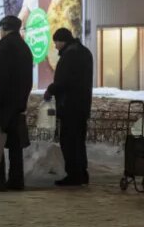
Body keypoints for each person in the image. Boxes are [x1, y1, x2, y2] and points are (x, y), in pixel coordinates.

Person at [0, 16, 33, 192]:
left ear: (3, 28)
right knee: (15, 144)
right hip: (18, 103)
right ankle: (16, 179)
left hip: (2, 103)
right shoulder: (25, 48)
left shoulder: (2, 48)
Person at [44, 28, 93, 187]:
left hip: (70, 105)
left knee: (69, 141)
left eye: (56, 42)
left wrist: (51, 89)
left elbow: (65, 81)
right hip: (82, 105)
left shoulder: (70, 55)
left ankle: (73, 175)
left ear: (62, 41)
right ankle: (82, 173)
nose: (55, 46)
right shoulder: (84, 52)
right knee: (79, 140)